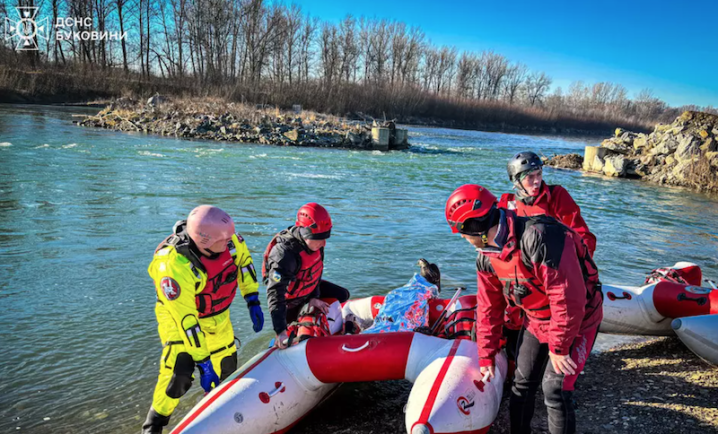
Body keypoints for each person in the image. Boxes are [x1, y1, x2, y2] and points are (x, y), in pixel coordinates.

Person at [445, 184, 602, 434]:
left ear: (476, 228)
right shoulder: (486, 256)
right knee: (521, 386)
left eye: (463, 233)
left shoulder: (539, 237)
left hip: (579, 317)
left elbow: (568, 298)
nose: (464, 240)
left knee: (555, 388)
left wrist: (559, 348)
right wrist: (486, 354)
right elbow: (488, 307)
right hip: (536, 318)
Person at [142, 205, 264, 434]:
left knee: (227, 365)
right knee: (179, 374)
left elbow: (245, 264)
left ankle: (222, 417)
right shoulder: (173, 265)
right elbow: (187, 322)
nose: (231, 243)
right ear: (204, 241)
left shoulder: (228, 239)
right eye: (224, 241)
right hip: (179, 321)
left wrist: (252, 298)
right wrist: (203, 362)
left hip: (218, 318)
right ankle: (154, 426)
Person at [262, 202, 350, 349]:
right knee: (295, 336)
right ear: (305, 233)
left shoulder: (315, 245)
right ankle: (298, 326)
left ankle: (312, 311)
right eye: (320, 238)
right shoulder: (284, 254)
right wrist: (280, 331)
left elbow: (316, 274)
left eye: (325, 238)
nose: (324, 244)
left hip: (307, 290)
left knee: (342, 295)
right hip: (290, 300)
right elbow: (275, 293)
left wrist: (314, 298)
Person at [499, 151, 596, 256]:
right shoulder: (507, 205)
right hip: (522, 266)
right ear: (516, 181)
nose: (537, 181)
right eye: (530, 177)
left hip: (556, 265)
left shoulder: (557, 196)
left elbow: (583, 235)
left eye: (539, 174)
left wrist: (578, 264)